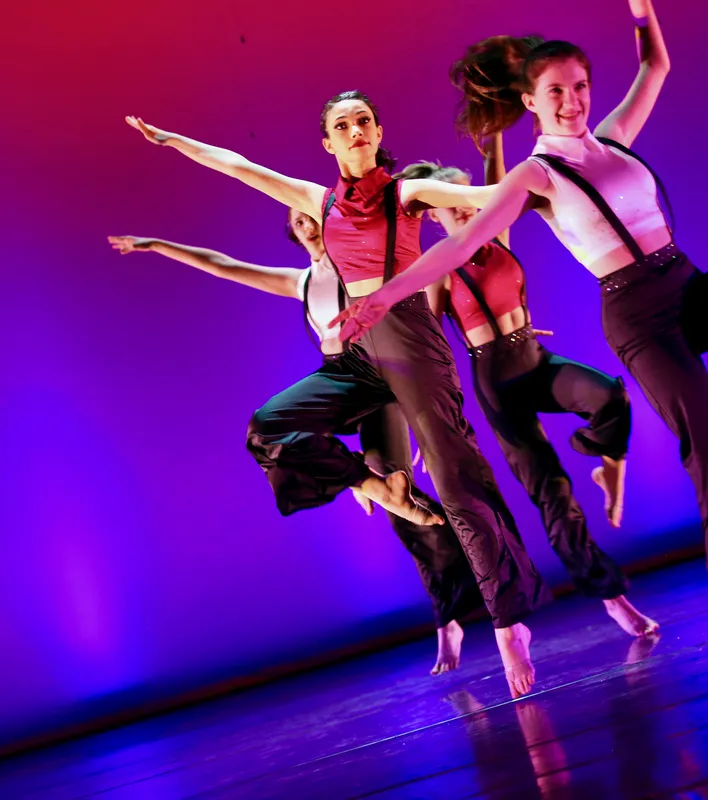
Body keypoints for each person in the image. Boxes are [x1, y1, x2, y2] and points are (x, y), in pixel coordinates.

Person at [332, 0, 708, 661]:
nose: (574, 101)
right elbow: (457, 251)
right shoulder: (534, 175)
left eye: (581, 87)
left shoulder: (610, 137)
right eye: (557, 92)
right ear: (530, 100)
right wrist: (386, 296)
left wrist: (640, 8)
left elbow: (655, 63)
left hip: (688, 286)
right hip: (641, 318)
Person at [125, 89, 549, 697]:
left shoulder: (406, 192)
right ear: (328, 142)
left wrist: (534, 172)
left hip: (407, 337)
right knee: (268, 425)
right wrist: (173, 142)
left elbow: (480, 199)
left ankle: (508, 624)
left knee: (456, 479)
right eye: (342, 126)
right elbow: (240, 168)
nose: (355, 131)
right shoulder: (316, 200)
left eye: (364, 122)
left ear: (377, 132)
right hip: (355, 350)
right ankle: (372, 483)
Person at [106, 212, 482, 674]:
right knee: (269, 431)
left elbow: (418, 327)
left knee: (408, 511)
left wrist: (424, 415)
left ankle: (449, 612)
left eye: (313, 214)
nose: (306, 220)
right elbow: (223, 265)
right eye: (297, 218)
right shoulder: (301, 282)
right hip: (344, 383)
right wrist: (158, 243)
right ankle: (365, 484)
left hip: (383, 386)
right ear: (294, 232)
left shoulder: (362, 269)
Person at [398, 132, 657, 638]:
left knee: (610, 395)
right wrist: (427, 429)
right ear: (436, 214)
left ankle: (604, 464)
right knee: (554, 496)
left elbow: (499, 175)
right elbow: (432, 355)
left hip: (535, 360)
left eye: (473, 203)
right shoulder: (441, 274)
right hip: (498, 385)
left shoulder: (501, 239)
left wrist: (492, 127)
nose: (469, 214)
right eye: (454, 210)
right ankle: (614, 599)